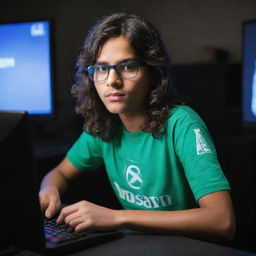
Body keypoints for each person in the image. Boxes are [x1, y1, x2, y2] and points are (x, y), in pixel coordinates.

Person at [39, 12, 235, 242]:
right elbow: (59, 173)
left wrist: (117, 218)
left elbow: (222, 221)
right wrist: (49, 190)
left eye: (127, 66)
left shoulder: (182, 124)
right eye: (101, 68)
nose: (112, 80)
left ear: (152, 73)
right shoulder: (104, 126)